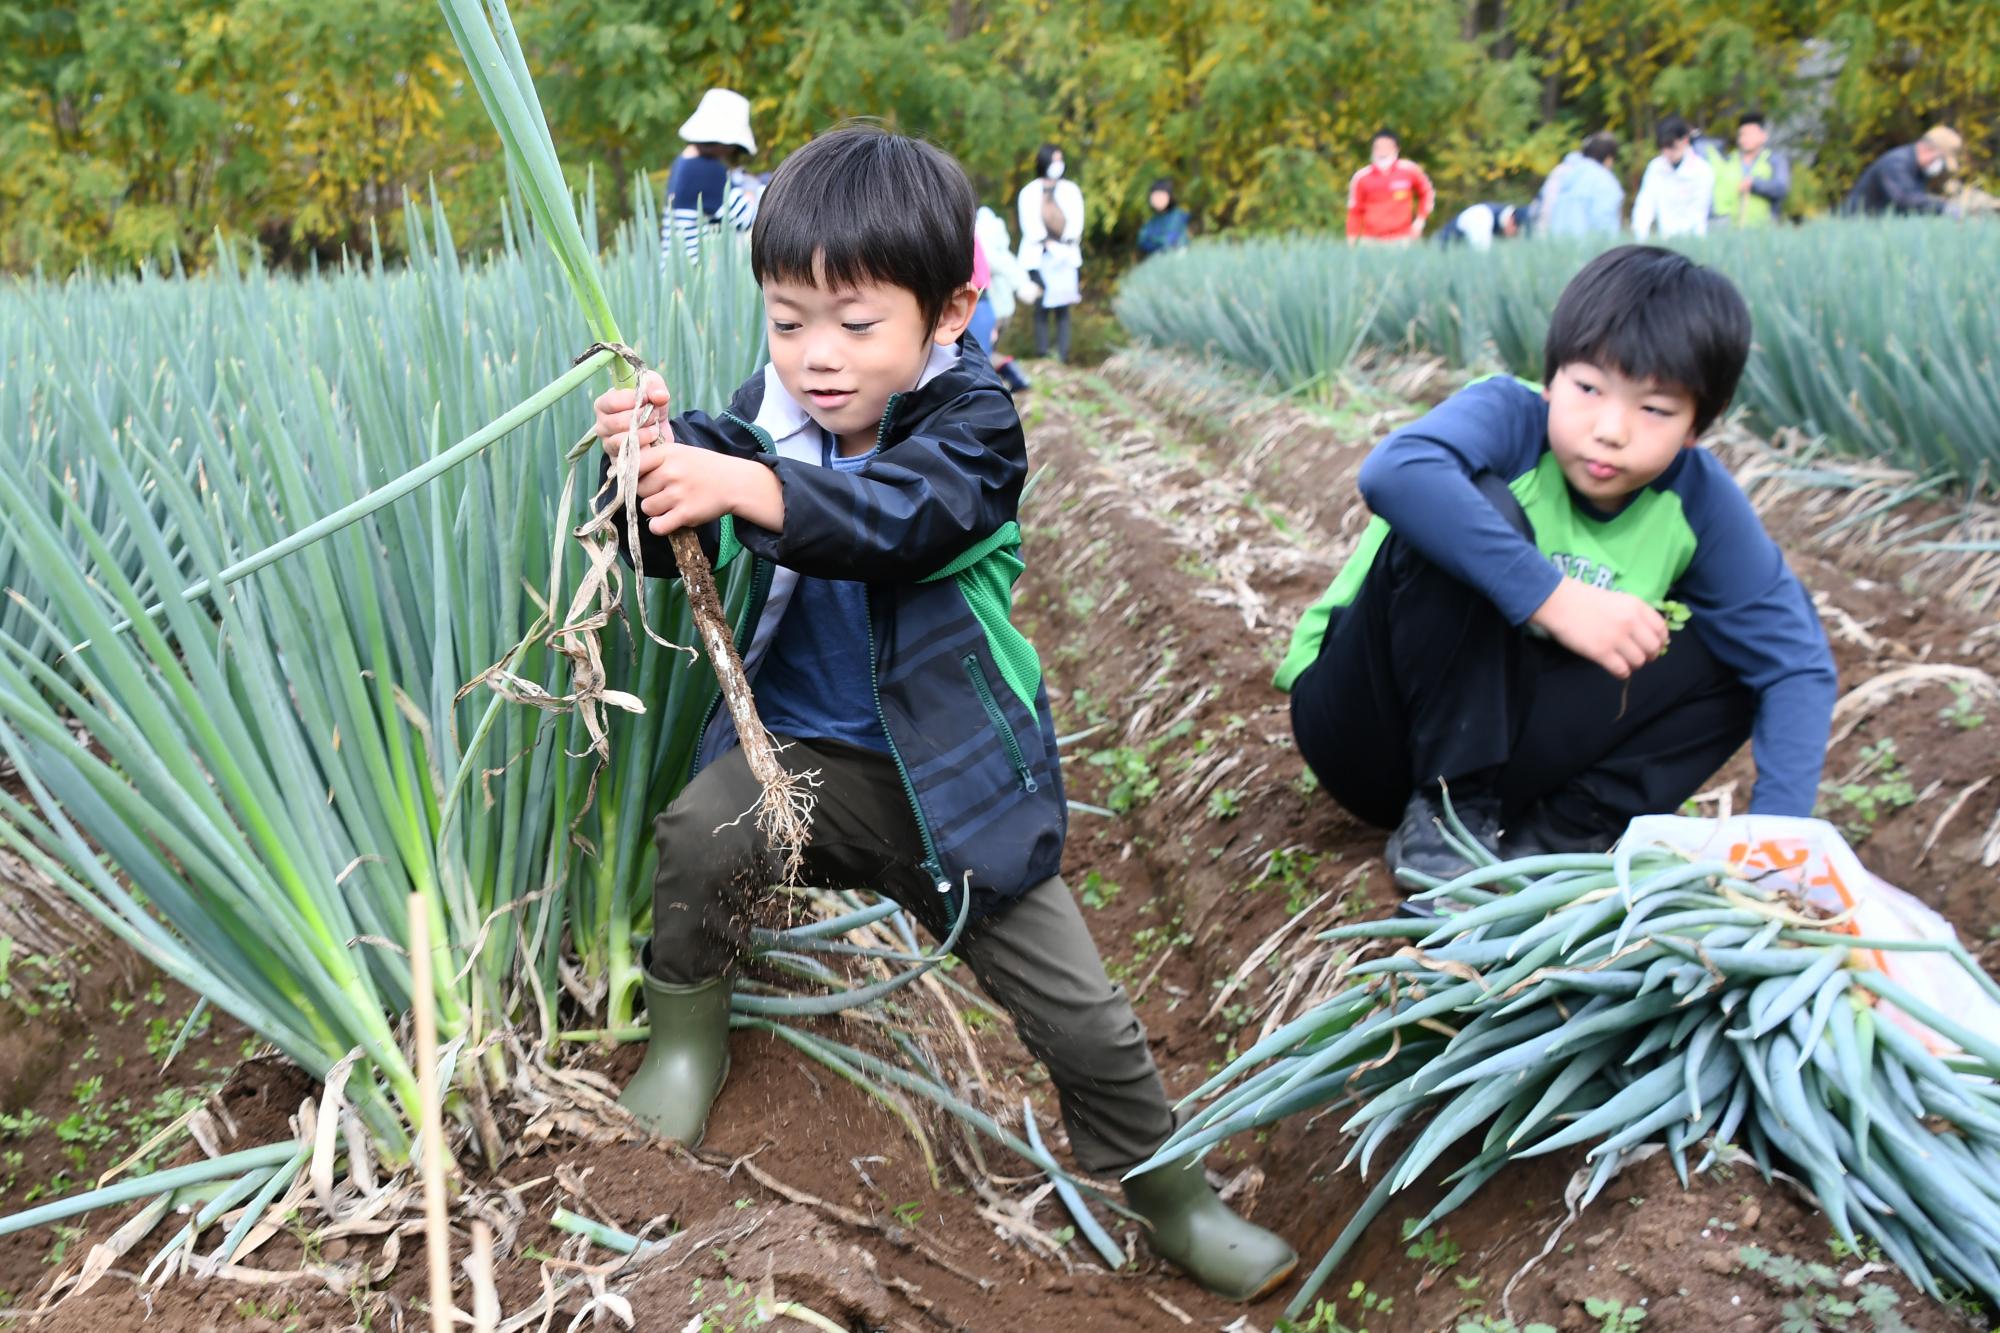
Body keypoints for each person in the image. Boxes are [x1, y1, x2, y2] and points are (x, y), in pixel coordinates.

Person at [591, 125, 1296, 1302]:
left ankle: (1171, 1193)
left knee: (1086, 1020)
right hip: (800, 765)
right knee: (698, 838)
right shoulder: (758, 419)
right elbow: (679, 535)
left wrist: (745, 483)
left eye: (855, 324)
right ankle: (685, 1042)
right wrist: (648, 462)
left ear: (949, 312)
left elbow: (901, 519)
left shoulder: (972, 427)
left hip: (951, 788)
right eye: (786, 319)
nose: (816, 356)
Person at [1277, 246, 1836, 887]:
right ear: (1550, 381)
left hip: (1513, 761)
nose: (1610, 429)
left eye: (1654, 409)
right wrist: (1555, 598)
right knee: (1473, 512)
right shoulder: (1510, 420)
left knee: (1749, 645)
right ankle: (1446, 821)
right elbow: (1394, 472)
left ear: (1695, 427)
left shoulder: (1698, 501)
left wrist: (1774, 854)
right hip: (1363, 729)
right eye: (1589, 388)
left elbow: (1798, 665)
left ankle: (1560, 839)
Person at [662, 89, 758, 265]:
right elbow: (746, 218)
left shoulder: (684, 161)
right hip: (692, 276)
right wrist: (752, 194)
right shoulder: (707, 170)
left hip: (673, 270)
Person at [1016, 144, 1085, 362]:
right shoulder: (1029, 192)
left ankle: (1062, 354)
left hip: (1065, 255)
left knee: (1063, 308)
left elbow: (1077, 220)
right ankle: (1042, 353)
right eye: (1054, 160)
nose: (1058, 165)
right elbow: (1029, 224)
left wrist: (1066, 243)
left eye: (1060, 160)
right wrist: (1046, 243)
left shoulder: (1070, 190)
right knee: (1042, 304)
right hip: (1039, 255)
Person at [973, 204, 1038, 392]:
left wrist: (1023, 285)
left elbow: (999, 266)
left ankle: (1006, 382)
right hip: (1000, 308)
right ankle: (1013, 377)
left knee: (979, 354)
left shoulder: (982, 242)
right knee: (983, 352)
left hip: (987, 306)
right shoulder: (998, 244)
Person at [1843, 125, 1964, 216]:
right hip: (1857, 226)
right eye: (1941, 160)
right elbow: (1905, 200)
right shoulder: (1896, 163)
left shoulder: (1918, 170)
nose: (1941, 167)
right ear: (1927, 150)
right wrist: (1943, 207)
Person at [1632, 115, 1714, 241]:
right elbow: (1645, 205)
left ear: (1685, 140)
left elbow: (1699, 214)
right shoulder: (1655, 168)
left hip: (1693, 240)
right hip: (1664, 240)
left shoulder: (1702, 170)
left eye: (1672, 147)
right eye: (1663, 148)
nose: (1667, 153)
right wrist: (1640, 237)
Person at [1346, 130, 1435, 244]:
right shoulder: (1361, 177)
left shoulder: (1409, 170)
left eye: (1387, 147)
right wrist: (1351, 242)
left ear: (1396, 149)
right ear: (1373, 150)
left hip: (1403, 239)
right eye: (1378, 148)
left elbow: (1427, 193)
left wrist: (1420, 221)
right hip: (1371, 241)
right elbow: (1354, 212)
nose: (1382, 152)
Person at [1705, 113, 1790, 228]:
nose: (1745, 138)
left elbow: (1781, 188)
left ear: (1763, 136)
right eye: (1742, 134)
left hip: (1763, 230)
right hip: (1730, 229)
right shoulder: (1728, 161)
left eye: (1750, 134)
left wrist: (1754, 184)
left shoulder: (1774, 160)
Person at [1536, 133, 1624, 238]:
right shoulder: (1605, 183)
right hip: (1589, 250)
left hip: (1558, 247)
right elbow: (1605, 228)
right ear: (1608, 158)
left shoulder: (1564, 174)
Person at [1435, 202, 1524, 250]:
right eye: (1517, 231)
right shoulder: (1482, 216)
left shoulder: (1498, 221)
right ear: (1512, 220)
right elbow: (1480, 254)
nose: (1516, 236)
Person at [1137, 178, 1191, 256]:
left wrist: (1157, 241)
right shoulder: (1152, 221)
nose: (1158, 200)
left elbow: (1172, 237)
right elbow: (1142, 240)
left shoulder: (1178, 214)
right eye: (1155, 196)